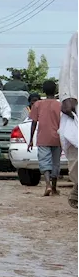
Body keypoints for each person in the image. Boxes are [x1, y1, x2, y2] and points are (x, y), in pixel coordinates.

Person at [28, 82, 63, 196]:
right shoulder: (60, 105)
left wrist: (30, 140)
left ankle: (47, 184)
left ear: (43, 90)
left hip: (43, 137)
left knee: (44, 161)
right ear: (56, 90)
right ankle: (54, 187)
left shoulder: (37, 104)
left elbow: (33, 123)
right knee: (55, 163)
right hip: (57, 137)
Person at [60, 33, 79, 209]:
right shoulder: (77, 38)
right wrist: (67, 96)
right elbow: (69, 67)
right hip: (77, 104)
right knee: (76, 153)